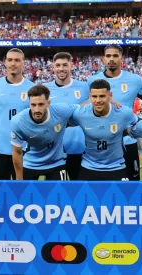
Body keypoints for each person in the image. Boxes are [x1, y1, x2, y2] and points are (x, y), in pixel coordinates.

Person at [87, 45, 142, 181]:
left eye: (115, 55)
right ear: (103, 59)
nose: (111, 59)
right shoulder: (91, 81)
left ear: (121, 59)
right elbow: (83, 108)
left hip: (127, 141)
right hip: (100, 142)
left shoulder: (135, 80)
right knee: (100, 186)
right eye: (108, 56)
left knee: (132, 185)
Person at [0, 48, 35, 180]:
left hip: (24, 151)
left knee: (22, 193)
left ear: (23, 63)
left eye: (17, 60)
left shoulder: (32, 88)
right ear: (5, 62)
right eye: (9, 60)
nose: (13, 63)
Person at [71, 79, 138, 180]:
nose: (98, 100)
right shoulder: (80, 113)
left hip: (116, 167)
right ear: (90, 97)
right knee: (83, 196)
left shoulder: (123, 113)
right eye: (94, 96)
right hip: (88, 167)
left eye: (102, 96)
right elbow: (60, 119)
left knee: (121, 196)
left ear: (110, 96)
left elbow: (138, 123)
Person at [10, 85, 78, 180]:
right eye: (33, 105)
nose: (37, 109)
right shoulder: (18, 121)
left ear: (48, 103)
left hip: (56, 162)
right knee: (25, 194)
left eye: (41, 104)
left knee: (61, 194)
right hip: (30, 163)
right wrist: (19, 179)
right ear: (29, 103)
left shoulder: (60, 110)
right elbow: (17, 152)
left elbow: (82, 111)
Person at [43, 52, 89, 180]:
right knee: (56, 190)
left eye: (65, 65)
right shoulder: (45, 89)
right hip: (54, 150)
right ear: (53, 67)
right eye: (57, 65)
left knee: (79, 190)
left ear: (71, 66)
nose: (61, 68)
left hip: (79, 148)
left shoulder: (84, 87)